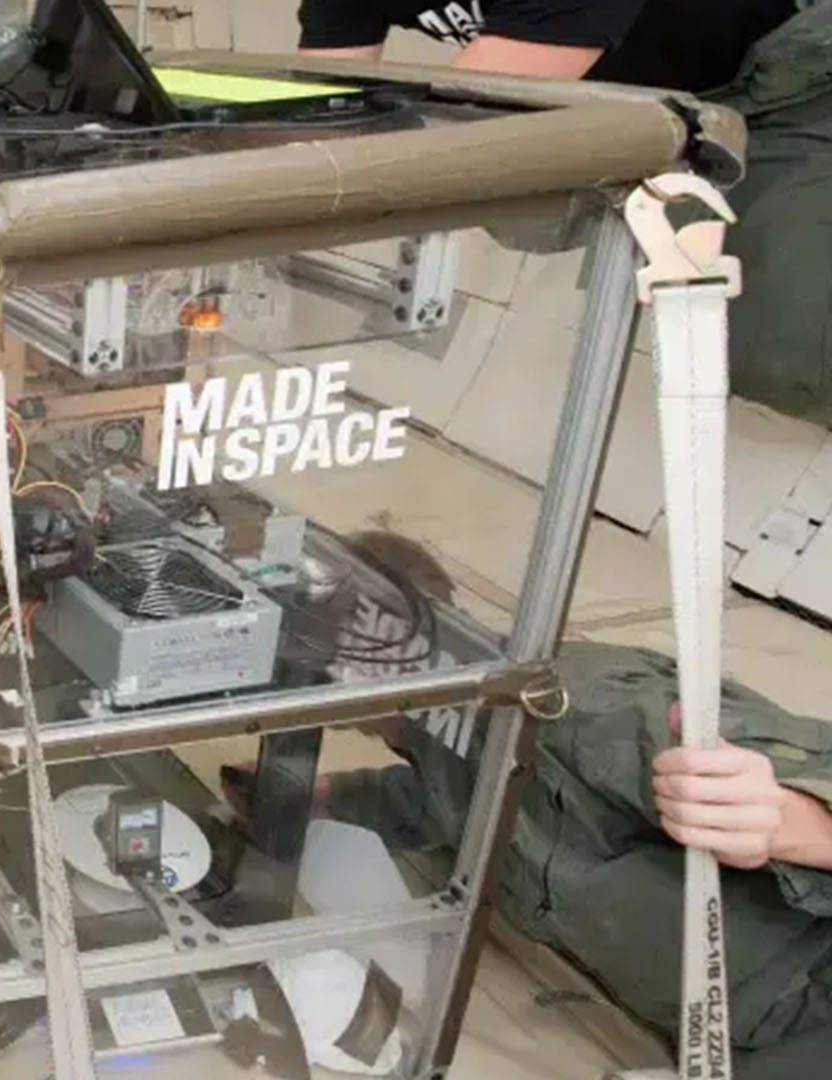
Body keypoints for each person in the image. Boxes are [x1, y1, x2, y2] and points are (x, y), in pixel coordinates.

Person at [229, 532, 832, 1078]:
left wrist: (799, 822)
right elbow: (443, 802)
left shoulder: (582, 712)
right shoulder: (453, 735)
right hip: (720, 1031)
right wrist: (328, 798)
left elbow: (778, 775)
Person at [294, 0, 832, 426]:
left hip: (791, 74)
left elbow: (460, 132)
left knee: (781, 359)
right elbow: (318, 116)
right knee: (525, 217)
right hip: (669, 98)